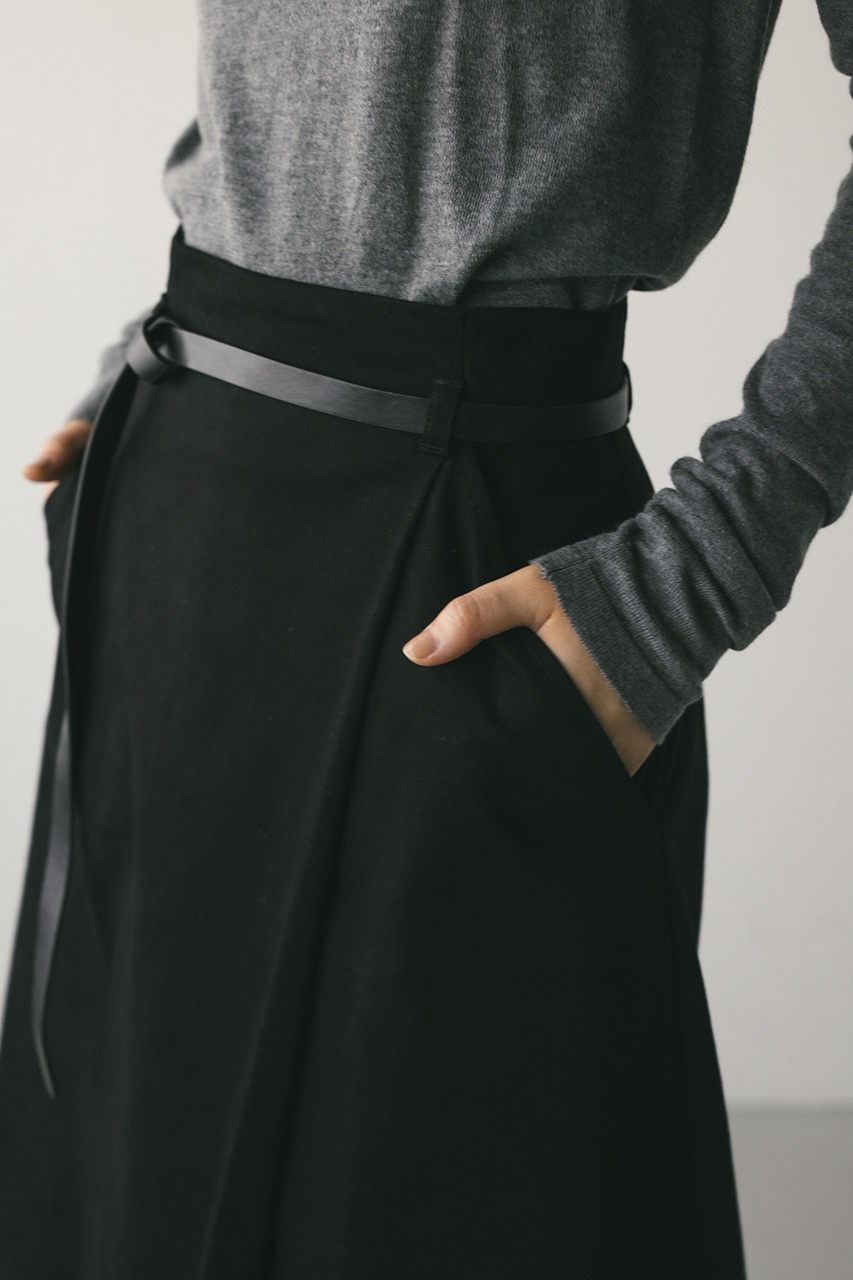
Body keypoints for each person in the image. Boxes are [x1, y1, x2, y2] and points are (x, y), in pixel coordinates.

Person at [1, 2, 851, 1276]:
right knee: (125, 1202)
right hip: (179, 514)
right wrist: (143, 373)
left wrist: (714, 553)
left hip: (472, 570)